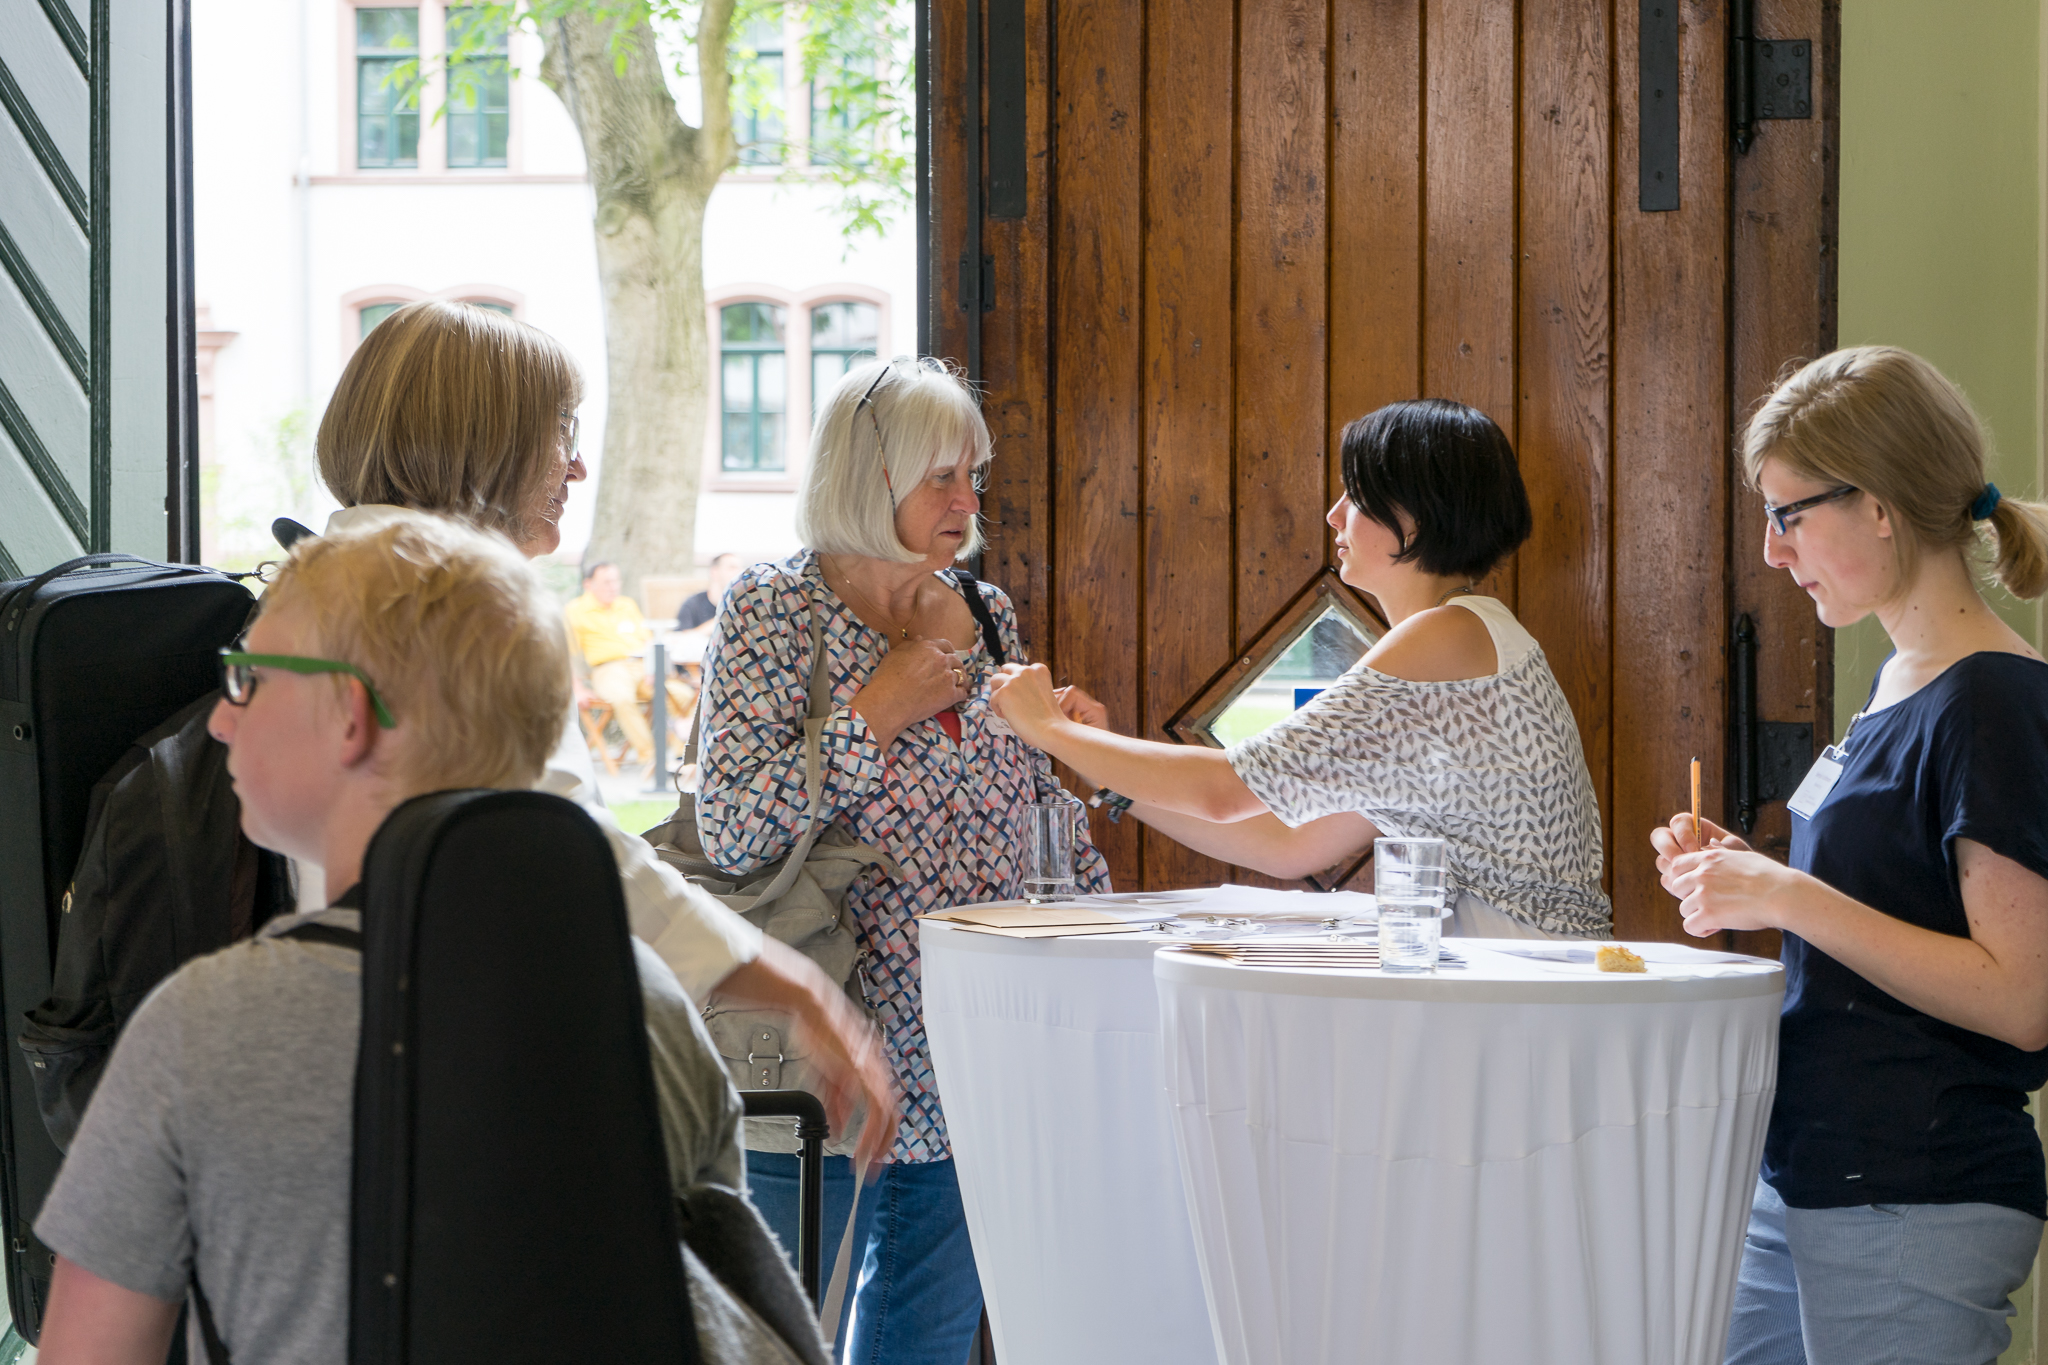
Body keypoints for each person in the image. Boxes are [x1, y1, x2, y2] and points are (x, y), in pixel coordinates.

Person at [31, 514, 763, 1363]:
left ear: (350, 715)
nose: (222, 723)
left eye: (248, 679)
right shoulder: (647, 1004)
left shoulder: (199, 1029)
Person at [312, 299, 895, 1166]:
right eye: (560, 433)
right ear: (485, 448)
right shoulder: (456, 620)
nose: (578, 466)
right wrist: (799, 991)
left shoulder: (321, 592)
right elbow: (580, 858)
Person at [694, 356, 1111, 1362]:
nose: (968, 501)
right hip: (824, 1045)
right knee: (780, 1341)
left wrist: (1077, 763)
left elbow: (1021, 810)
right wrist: (868, 717)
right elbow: (733, 829)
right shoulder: (772, 610)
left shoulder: (985, 610)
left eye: (973, 476)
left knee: (921, 1340)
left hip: (972, 1042)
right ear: (866, 477)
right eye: (943, 478)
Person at [1652, 346, 2048, 1365]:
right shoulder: (1894, 686)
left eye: (1787, 515)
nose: (1774, 554)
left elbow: (2020, 999)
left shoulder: (1992, 700)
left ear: (1875, 505)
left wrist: (1785, 895)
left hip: (1910, 1190)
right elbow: (1892, 906)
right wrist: (1748, 874)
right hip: (1814, 1176)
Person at [989, 398, 1611, 939]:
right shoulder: (1469, 637)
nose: (1335, 516)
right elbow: (1288, 845)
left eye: (1358, 497)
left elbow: (1226, 791)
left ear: (1418, 514)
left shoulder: (1445, 637)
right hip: (1521, 975)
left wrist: (1050, 728)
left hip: (1525, 979)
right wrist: (1095, 757)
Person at [565, 559, 685, 765]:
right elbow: (566, 654)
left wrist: (654, 668)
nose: (613, 587)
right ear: (588, 585)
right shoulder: (574, 610)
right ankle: (651, 758)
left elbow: (648, 641)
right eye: (607, 582)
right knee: (621, 698)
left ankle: (681, 755)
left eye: (616, 581)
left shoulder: (627, 605)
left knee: (683, 694)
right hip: (608, 669)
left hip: (641, 666)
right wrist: (577, 689)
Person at [678, 551, 744, 633]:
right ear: (714, 572)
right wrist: (723, 621)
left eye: (740, 569)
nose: (739, 573)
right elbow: (679, 638)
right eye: (732, 568)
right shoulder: (692, 604)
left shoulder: (742, 605)